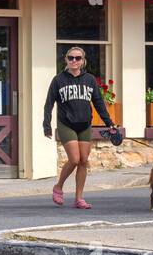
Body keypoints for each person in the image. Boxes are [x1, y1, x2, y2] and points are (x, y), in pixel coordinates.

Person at [43, 46, 115, 209]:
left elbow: (98, 103)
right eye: (71, 58)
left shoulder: (89, 80)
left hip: (84, 125)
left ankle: (79, 198)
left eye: (78, 58)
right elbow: (49, 104)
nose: (74, 61)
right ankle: (58, 186)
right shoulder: (58, 80)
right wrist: (46, 125)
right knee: (74, 159)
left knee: (83, 161)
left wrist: (109, 123)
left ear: (83, 61)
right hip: (66, 123)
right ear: (66, 60)